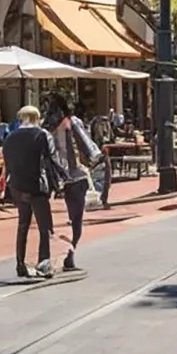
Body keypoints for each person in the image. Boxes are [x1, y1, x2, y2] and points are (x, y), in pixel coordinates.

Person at [0, 105, 63, 279]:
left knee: (22, 225)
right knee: (44, 227)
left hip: (17, 186)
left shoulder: (10, 137)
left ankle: (20, 263)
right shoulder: (42, 135)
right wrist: (62, 180)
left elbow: (6, 161)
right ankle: (44, 263)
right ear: (37, 118)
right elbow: (52, 159)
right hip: (37, 185)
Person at [46, 93, 101, 271]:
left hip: (57, 177)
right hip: (75, 175)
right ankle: (69, 256)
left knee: (54, 219)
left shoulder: (48, 128)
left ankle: (51, 257)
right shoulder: (73, 122)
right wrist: (95, 159)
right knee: (76, 220)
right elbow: (88, 146)